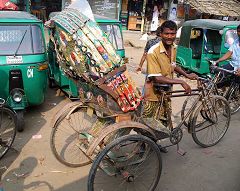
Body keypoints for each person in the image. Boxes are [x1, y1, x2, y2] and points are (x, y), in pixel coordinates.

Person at [142, 20, 198, 152]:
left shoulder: (173, 48)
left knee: (163, 121)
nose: (170, 36)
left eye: (172, 34)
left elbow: (173, 65)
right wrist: (182, 82)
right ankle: (143, 147)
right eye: (167, 33)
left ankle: (154, 144)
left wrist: (187, 75)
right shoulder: (153, 52)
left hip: (166, 91)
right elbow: (156, 77)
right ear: (161, 34)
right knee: (148, 122)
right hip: (153, 94)